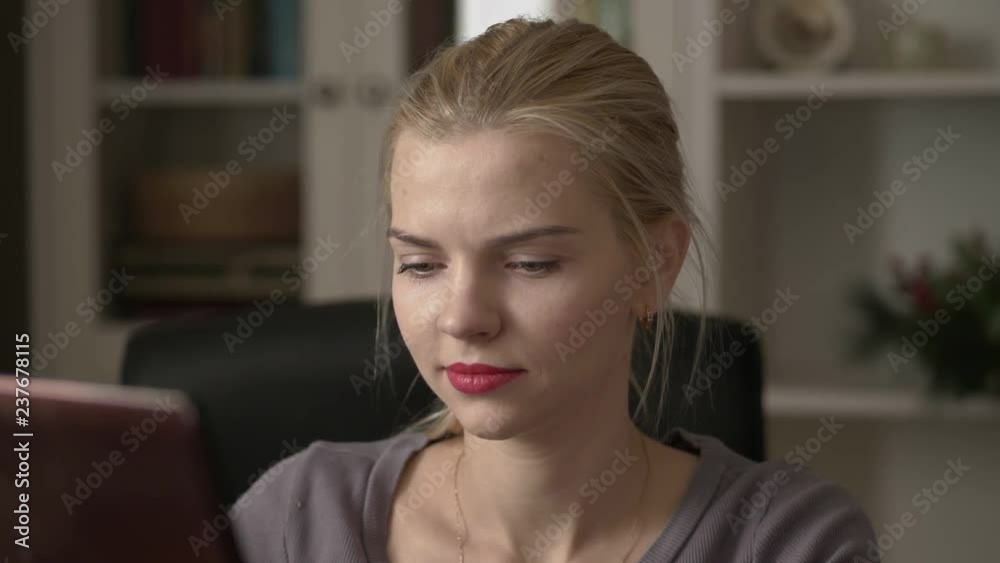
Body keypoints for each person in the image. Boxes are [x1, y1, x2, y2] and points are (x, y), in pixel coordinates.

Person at [231, 17, 876, 563]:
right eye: (421, 265)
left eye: (530, 264)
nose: (463, 318)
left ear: (654, 265)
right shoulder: (295, 520)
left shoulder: (789, 541)